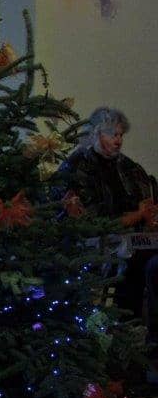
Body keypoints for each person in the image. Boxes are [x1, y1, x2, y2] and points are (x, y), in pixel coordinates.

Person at [59, 107, 158, 353]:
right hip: (98, 244)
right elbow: (93, 221)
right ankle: (130, 331)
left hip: (135, 239)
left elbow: (148, 200)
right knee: (139, 260)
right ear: (96, 133)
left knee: (152, 261)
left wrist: (150, 218)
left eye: (121, 135)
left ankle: (148, 338)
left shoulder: (128, 167)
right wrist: (138, 215)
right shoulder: (78, 167)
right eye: (113, 134)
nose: (118, 140)